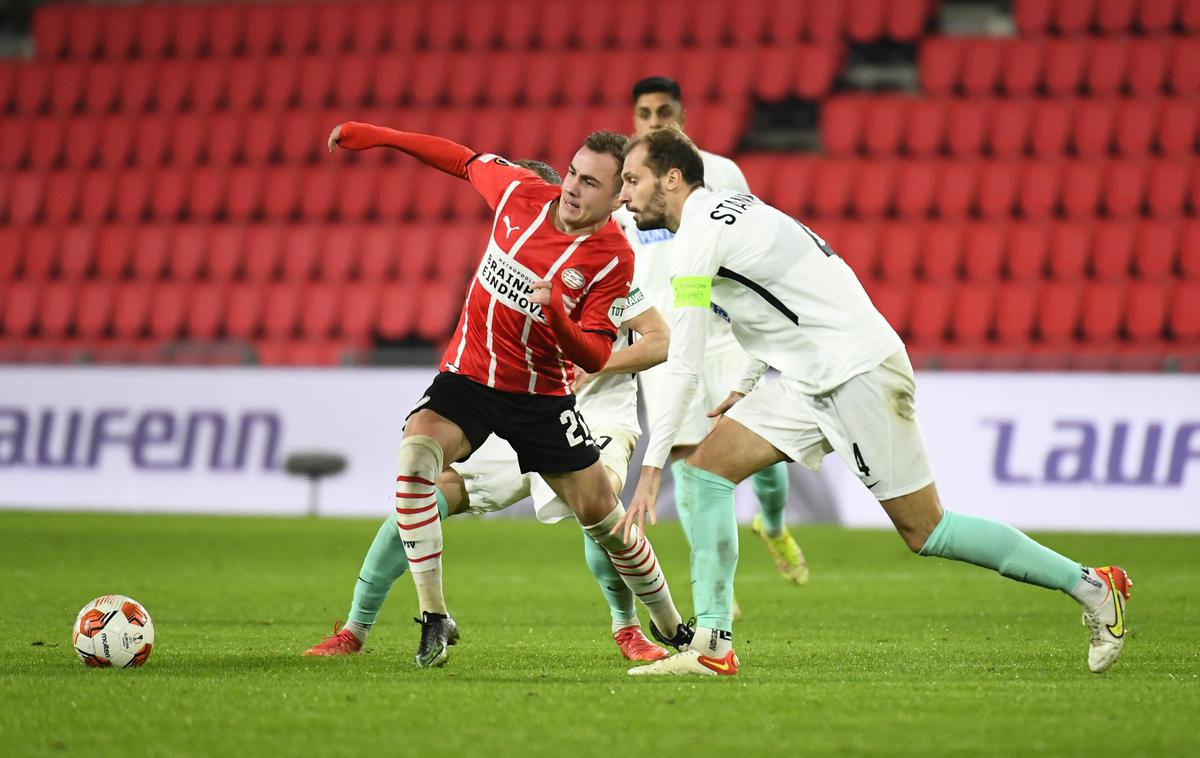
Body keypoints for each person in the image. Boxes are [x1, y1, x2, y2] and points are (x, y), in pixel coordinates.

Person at [616, 128, 1132, 677]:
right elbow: (778, 293)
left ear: (672, 179)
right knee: (704, 475)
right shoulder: (733, 210)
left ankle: (1095, 586)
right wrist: (746, 379)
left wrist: (650, 469)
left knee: (927, 530)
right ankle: (714, 647)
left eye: (632, 180)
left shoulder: (696, 240)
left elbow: (686, 361)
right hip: (807, 376)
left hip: (855, 372)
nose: (624, 196)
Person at [325, 122, 693, 668]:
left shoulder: (614, 258)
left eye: (590, 182)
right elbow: (458, 158)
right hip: (470, 379)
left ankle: (666, 624)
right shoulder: (519, 193)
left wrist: (558, 318)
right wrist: (375, 135)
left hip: (542, 398)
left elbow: (592, 355)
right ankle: (430, 615)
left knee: (604, 521)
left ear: (617, 195)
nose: (572, 187)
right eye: (572, 173)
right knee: (415, 456)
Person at [614, 77, 810, 593]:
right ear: (633, 120)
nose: (654, 122)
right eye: (645, 114)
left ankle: (772, 522)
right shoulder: (627, 182)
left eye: (664, 112)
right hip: (664, 343)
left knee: (760, 451)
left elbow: (750, 244)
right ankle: (713, 581)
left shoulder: (719, 173)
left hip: (721, 333)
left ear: (682, 116)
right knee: (686, 460)